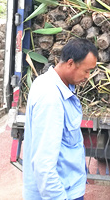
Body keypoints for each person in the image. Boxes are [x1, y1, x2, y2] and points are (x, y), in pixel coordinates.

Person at [23, 38, 98, 200]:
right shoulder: (51, 98)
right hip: (60, 193)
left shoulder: (57, 85)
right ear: (70, 63)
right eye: (86, 71)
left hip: (67, 187)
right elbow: (44, 163)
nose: (88, 76)